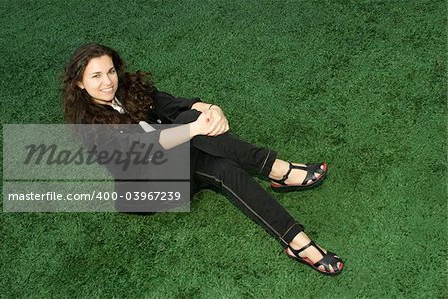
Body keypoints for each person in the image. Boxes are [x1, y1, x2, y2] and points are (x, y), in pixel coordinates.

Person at [62, 43, 344, 276]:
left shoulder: (124, 89)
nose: (107, 81)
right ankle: (277, 169)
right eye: (96, 76)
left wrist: (208, 108)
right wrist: (195, 126)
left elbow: (169, 103)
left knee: (222, 168)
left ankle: (297, 241)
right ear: (80, 83)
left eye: (110, 71)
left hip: (179, 168)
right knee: (189, 125)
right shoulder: (90, 126)